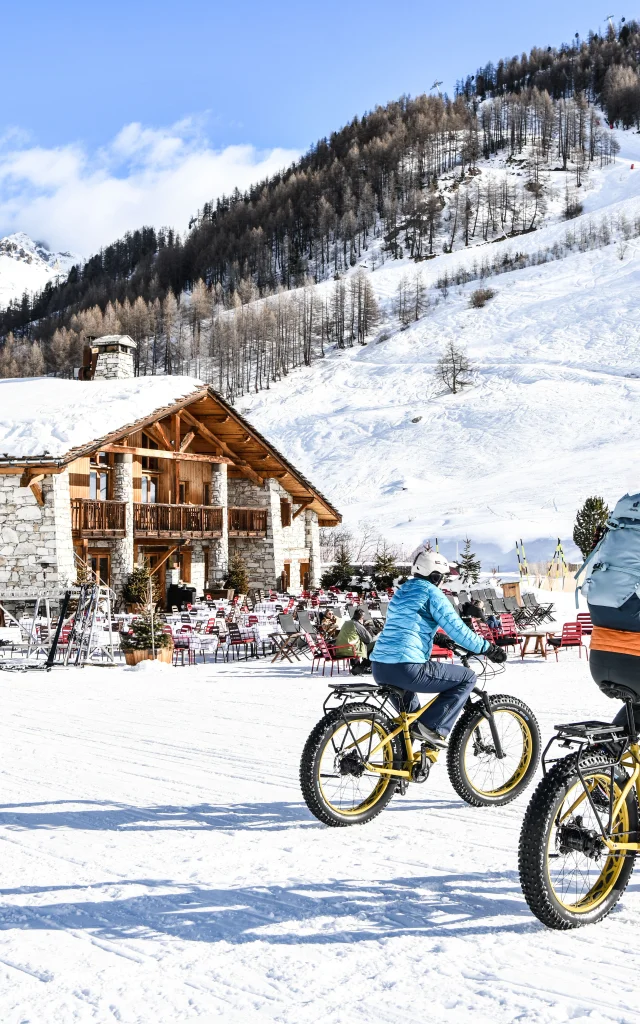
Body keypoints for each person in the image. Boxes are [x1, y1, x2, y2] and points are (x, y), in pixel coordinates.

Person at [370, 548, 507, 748]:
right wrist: (488, 648)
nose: (443, 582)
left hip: (381, 667)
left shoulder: (402, 592)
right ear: (435, 576)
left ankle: (398, 773)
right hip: (407, 667)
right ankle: (433, 728)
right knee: (467, 678)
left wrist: (437, 637)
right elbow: (459, 631)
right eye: (442, 577)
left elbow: (405, 626)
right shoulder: (432, 592)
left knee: (407, 726)